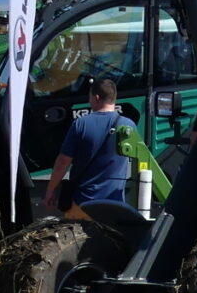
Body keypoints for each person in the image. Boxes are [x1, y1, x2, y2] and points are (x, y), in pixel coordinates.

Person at [44, 77, 137, 219]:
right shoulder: (129, 126)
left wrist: (51, 190)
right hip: (114, 204)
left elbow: (63, 162)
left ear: (96, 98)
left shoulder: (80, 124)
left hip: (82, 203)